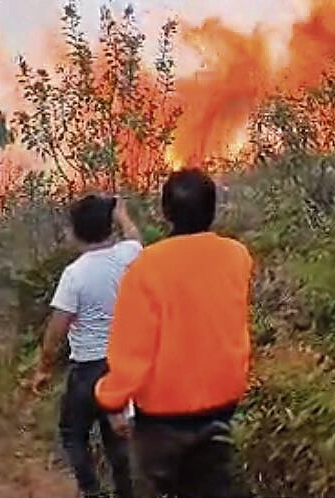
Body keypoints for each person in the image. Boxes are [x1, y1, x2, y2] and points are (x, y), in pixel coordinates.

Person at [95, 169, 253, 498]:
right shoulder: (237, 257)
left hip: (162, 419)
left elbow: (132, 350)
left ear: (165, 212)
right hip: (221, 407)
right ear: (213, 210)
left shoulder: (146, 269)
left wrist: (112, 400)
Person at [31, 194, 141, 498]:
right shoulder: (127, 255)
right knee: (116, 439)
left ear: (75, 232)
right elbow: (134, 237)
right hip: (121, 367)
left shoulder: (74, 274)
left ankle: (90, 491)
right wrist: (122, 214)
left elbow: (57, 329)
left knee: (72, 433)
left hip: (88, 370)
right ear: (109, 227)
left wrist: (43, 367)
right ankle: (125, 492)